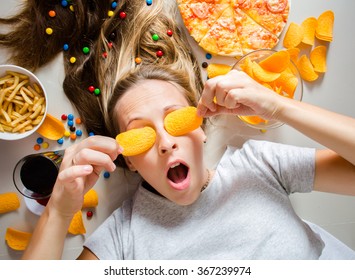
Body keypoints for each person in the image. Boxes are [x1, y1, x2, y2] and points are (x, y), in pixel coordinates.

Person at [2, 0, 354, 259]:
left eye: (176, 120)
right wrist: (60, 211)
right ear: (130, 161)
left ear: (201, 128)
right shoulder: (122, 240)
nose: (167, 143)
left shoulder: (260, 166)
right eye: (141, 133)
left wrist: (280, 106)